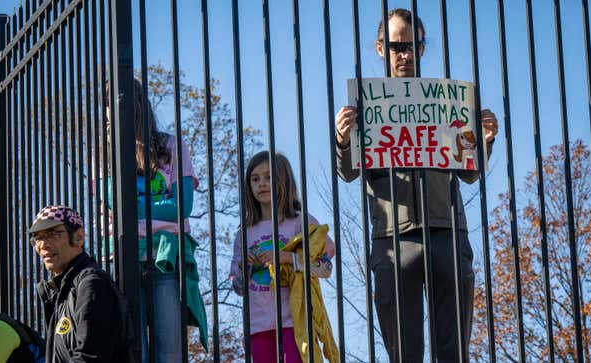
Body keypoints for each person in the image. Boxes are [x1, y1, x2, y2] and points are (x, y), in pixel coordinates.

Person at [334, 8, 499, 363]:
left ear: (422, 48)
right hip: (394, 240)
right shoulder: (367, 104)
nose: (405, 54)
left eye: (412, 45)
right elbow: (348, 173)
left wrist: (483, 140)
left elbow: (469, 173)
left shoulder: (446, 100)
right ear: (380, 48)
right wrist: (344, 140)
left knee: (453, 352)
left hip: (447, 233)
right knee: (404, 354)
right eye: (396, 47)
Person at [103, 79, 208, 362]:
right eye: (109, 112)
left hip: (166, 256)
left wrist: (135, 205)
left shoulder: (173, 146)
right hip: (125, 256)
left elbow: (182, 206)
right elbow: (116, 203)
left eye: (117, 108)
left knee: (169, 352)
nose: (111, 119)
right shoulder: (104, 156)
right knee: (134, 354)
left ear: (137, 107)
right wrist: (160, 205)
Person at [229, 151, 337, 363]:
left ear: (284, 180)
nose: (262, 183)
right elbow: (238, 288)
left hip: (294, 322)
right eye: (255, 178)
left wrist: (289, 258)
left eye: (269, 177)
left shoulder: (300, 222)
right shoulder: (244, 234)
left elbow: (325, 268)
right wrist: (244, 268)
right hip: (257, 326)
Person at [30, 205, 134, 363]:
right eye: (38, 238)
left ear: (78, 238)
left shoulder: (91, 284)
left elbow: (90, 356)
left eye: (52, 234)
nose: (43, 244)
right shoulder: (62, 290)